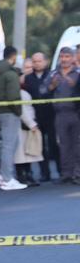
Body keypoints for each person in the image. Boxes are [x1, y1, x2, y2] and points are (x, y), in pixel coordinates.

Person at [0, 46, 27, 190]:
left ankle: (2, 174)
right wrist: (18, 111)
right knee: (8, 145)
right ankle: (7, 179)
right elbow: (13, 97)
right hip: (8, 112)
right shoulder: (10, 75)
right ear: (13, 57)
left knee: (12, 142)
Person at [41, 47, 80, 184]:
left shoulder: (78, 73)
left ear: (73, 58)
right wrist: (52, 86)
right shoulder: (53, 74)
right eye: (62, 57)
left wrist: (75, 86)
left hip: (76, 114)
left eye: (67, 57)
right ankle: (66, 174)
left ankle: (77, 174)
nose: (64, 59)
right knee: (63, 145)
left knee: (77, 145)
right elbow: (42, 90)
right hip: (60, 114)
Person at [23, 52, 58, 181]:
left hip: (51, 114)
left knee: (54, 144)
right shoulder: (28, 78)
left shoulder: (52, 75)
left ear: (45, 61)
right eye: (34, 61)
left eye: (39, 61)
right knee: (40, 146)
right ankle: (45, 173)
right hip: (36, 116)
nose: (37, 64)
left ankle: (60, 171)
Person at [14, 88, 42, 186]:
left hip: (21, 125)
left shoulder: (19, 92)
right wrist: (31, 124)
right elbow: (23, 110)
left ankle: (23, 176)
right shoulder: (21, 93)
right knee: (24, 153)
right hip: (24, 125)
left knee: (22, 153)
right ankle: (25, 176)